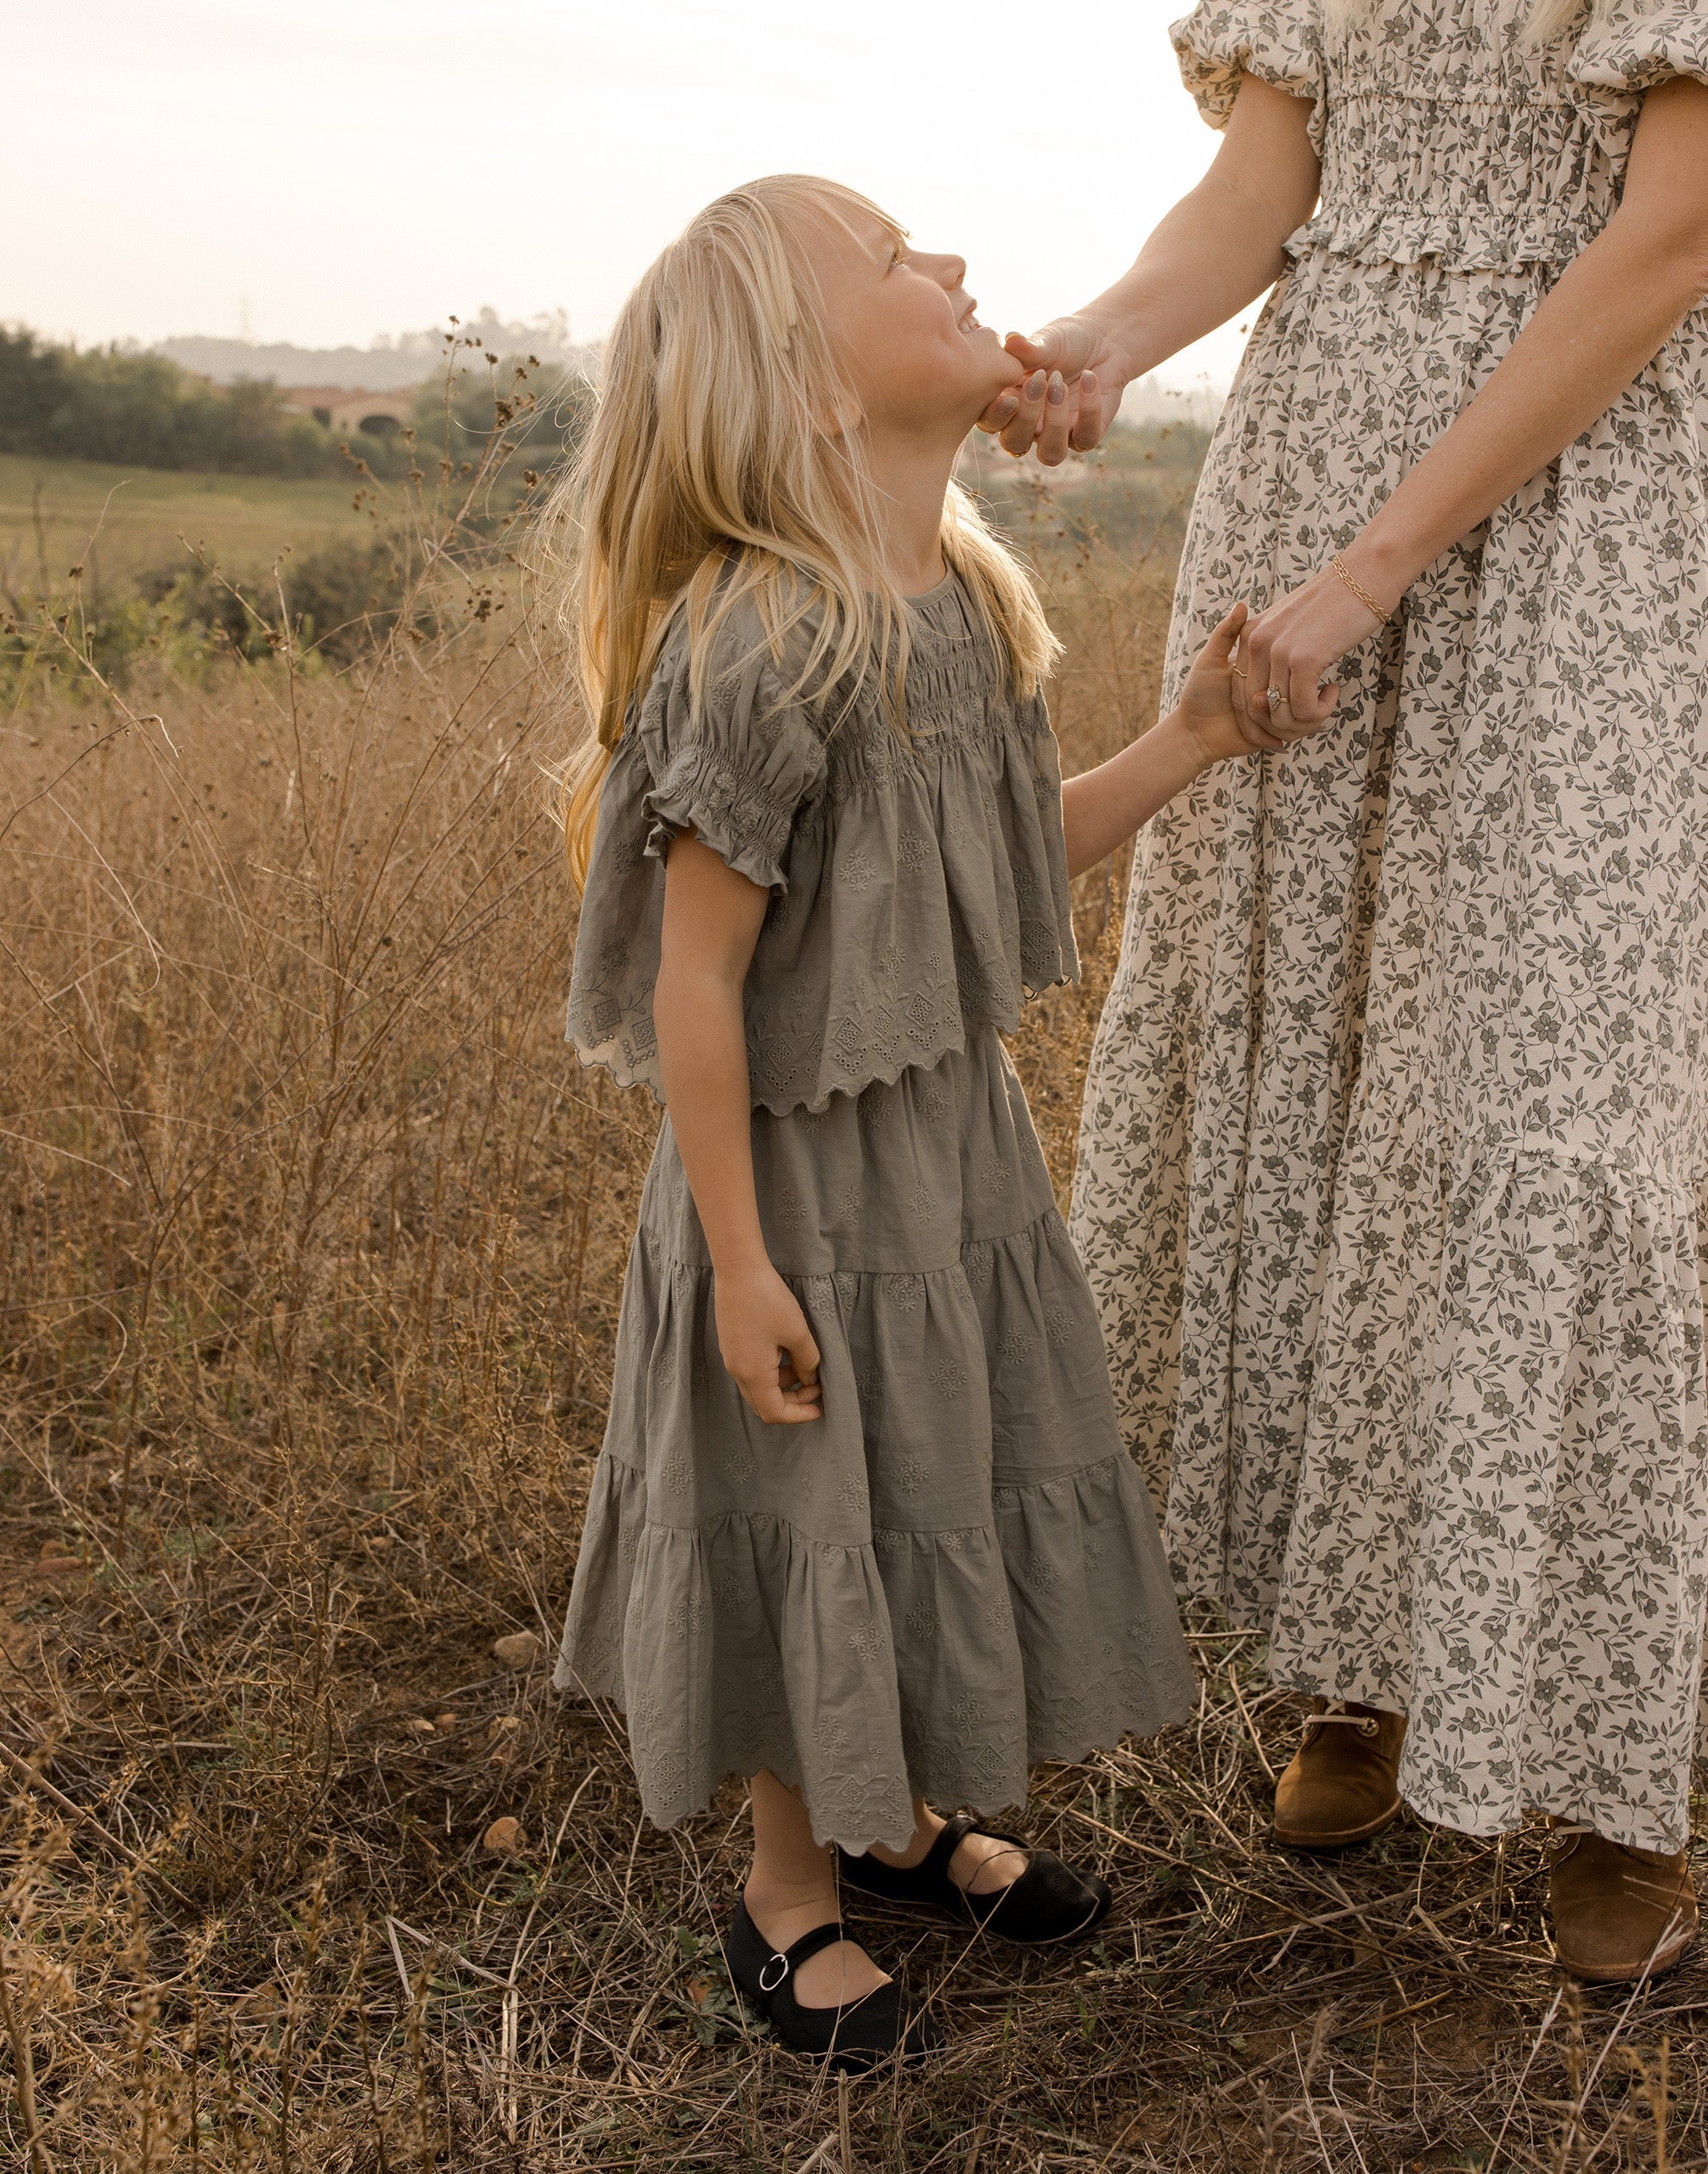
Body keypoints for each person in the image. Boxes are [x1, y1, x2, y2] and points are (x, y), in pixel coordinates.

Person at [989, 0, 1708, 1985]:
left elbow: (1673, 237)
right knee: (1323, 1048)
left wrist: (1377, 565)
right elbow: (1262, 185)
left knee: (1559, 1083)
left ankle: (1614, 1773)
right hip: (1311, 444)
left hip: (1581, 508)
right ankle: (1363, 1665)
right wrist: (1100, 342)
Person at [541, 174, 1304, 2070]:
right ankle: (788, 1894)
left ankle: (889, 1821)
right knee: (822, 1502)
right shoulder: (757, 639)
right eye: (891, 262)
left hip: (947, 1150)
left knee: (923, 1479)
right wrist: (733, 1261)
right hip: (793, 1181)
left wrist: (1189, 739)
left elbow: (986, 865)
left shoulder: (952, 599)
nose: (955, 265)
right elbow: (694, 984)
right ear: (808, 387)